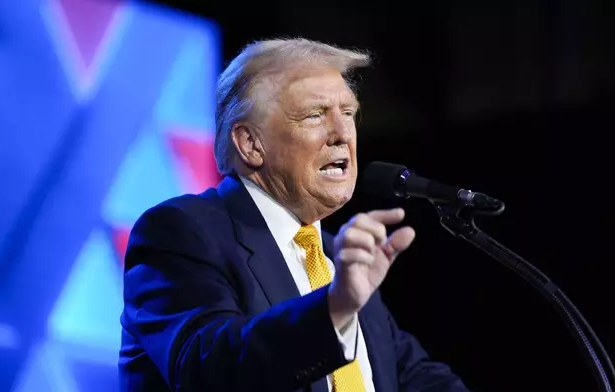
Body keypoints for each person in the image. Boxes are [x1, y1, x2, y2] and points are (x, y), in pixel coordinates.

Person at [118, 37, 470, 392]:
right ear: (251, 144)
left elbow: (420, 378)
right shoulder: (181, 233)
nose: (342, 133)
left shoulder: (339, 261)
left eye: (348, 112)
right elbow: (209, 367)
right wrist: (334, 309)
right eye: (315, 114)